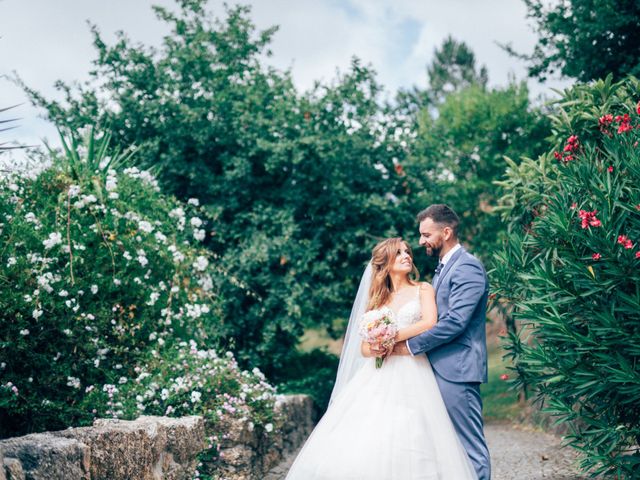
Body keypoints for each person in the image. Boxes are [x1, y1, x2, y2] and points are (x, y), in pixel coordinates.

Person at [285, 237, 477, 480]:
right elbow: (364, 348)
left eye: (407, 252)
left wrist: (390, 337)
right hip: (378, 373)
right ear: (385, 263)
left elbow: (429, 322)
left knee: (414, 429)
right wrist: (375, 347)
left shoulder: (423, 289)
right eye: (399, 253)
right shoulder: (377, 299)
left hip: (413, 369)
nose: (407, 256)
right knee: (373, 432)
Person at [391, 204, 491, 480]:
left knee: (469, 445)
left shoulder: (468, 267)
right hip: (437, 368)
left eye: (426, 234)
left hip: (457, 370)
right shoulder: (443, 268)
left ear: (446, 232)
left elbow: (456, 322)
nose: (421, 241)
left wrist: (410, 346)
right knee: (445, 447)